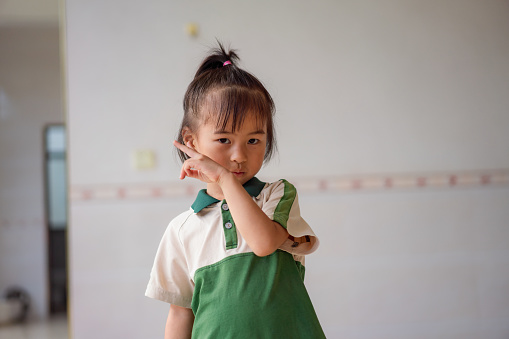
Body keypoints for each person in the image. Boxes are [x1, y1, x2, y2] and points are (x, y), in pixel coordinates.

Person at [145, 42, 325, 339]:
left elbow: (264, 242)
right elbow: (180, 313)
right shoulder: (181, 230)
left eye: (253, 140)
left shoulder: (277, 195)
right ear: (191, 142)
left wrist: (226, 181)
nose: (239, 155)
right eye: (224, 140)